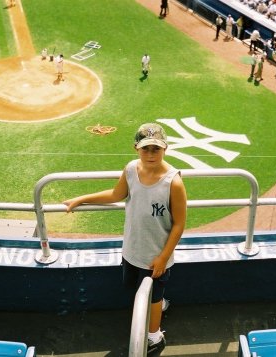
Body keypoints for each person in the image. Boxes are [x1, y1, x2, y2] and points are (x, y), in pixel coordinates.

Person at [63, 123, 187, 355]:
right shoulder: (131, 169)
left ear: (165, 149)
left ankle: (154, 336)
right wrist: (82, 199)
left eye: (156, 149)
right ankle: (160, 305)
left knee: (152, 297)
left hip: (156, 257)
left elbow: (179, 223)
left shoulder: (174, 182)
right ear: (136, 148)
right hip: (132, 250)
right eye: (145, 148)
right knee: (135, 288)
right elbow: (116, 194)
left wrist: (163, 257)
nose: (151, 154)